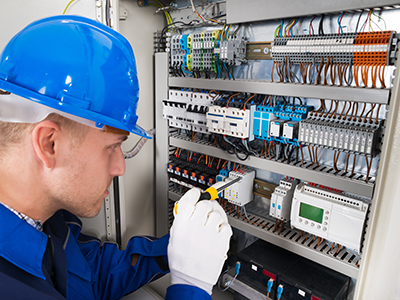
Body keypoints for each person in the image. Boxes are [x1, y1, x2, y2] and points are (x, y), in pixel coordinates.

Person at [0, 15, 232, 300]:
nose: (120, 167)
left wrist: (180, 251)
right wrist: (190, 288)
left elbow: (88, 276)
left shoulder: (47, 221)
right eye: (111, 147)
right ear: (49, 143)